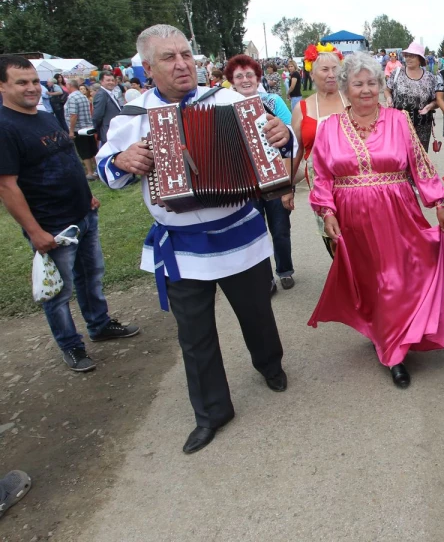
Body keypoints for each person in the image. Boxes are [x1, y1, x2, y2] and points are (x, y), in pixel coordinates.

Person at [95, 24, 296, 454]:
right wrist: (122, 160)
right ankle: (211, 412)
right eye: (169, 58)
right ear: (148, 67)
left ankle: (270, 365)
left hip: (240, 234)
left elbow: (281, 144)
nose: (182, 64)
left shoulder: (231, 101)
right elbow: (106, 170)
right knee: (195, 335)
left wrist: (285, 135)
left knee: (257, 315)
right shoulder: (132, 116)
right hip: (181, 246)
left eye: (186, 54)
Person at [307, 53, 444, 389]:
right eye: (358, 84)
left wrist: (439, 202)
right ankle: (383, 332)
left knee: (396, 279)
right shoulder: (329, 128)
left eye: (372, 83)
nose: (366, 90)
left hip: (398, 213)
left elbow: (420, 163)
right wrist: (327, 211)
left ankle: (394, 353)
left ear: (380, 85)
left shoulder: (398, 120)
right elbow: (321, 175)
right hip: (353, 219)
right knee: (372, 282)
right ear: (345, 88)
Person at [0, 55, 141, 373]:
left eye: (34, 81)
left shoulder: (44, 116)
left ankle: (99, 325)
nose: (32, 88)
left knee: (91, 276)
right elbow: (7, 187)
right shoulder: (5, 127)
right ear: (2, 86)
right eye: (21, 83)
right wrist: (35, 232)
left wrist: (87, 195)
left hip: (83, 214)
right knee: (59, 292)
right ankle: (71, 346)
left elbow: (66, 158)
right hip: (52, 226)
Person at [225, 54, 297, 291]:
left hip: (275, 176)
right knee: (254, 233)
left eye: (250, 75)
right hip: (246, 180)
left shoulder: (273, 101)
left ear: (258, 78)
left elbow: (291, 138)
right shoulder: (225, 107)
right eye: (239, 76)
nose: (245, 80)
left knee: (280, 228)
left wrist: (288, 184)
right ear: (232, 81)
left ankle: (285, 270)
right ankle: (266, 278)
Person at [287, 45, 346, 257]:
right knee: (335, 243)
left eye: (335, 68)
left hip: (356, 185)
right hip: (322, 190)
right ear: (311, 73)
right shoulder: (302, 109)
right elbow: (295, 151)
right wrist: (287, 187)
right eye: (324, 69)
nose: (331, 74)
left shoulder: (352, 100)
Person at [385, 42, 437, 150]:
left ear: (420, 59)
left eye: (412, 56)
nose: (408, 58)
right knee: (400, 155)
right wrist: (389, 98)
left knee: (420, 156)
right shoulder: (397, 73)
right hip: (399, 124)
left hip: (423, 126)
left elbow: (437, 100)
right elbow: (387, 90)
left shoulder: (430, 77)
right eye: (407, 55)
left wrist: (430, 106)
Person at [63, 76, 98, 180]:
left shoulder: (72, 98)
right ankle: (97, 170)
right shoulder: (83, 96)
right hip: (88, 127)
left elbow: (73, 115)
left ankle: (90, 172)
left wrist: (71, 130)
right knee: (92, 149)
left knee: (84, 151)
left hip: (79, 129)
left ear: (69, 85)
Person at [92, 71, 122, 145]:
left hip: (114, 131)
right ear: (101, 81)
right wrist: (98, 129)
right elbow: (97, 115)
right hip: (107, 132)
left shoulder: (110, 93)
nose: (111, 82)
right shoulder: (101, 95)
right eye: (108, 80)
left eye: (112, 80)